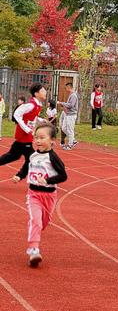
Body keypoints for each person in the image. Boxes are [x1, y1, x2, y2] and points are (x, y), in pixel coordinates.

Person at [12, 123, 67, 267]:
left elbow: (63, 176)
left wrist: (48, 180)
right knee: (35, 220)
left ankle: (34, 233)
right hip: (34, 194)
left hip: (49, 196)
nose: (37, 141)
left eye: (42, 138)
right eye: (36, 138)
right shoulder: (33, 155)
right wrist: (19, 176)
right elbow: (26, 167)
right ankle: (33, 249)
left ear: (52, 141)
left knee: (44, 222)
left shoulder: (53, 158)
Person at [0, 83, 46, 174]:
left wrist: (41, 120)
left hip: (26, 137)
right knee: (31, 158)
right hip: (23, 136)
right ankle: (22, 176)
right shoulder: (31, 105)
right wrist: (26, 129)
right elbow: (16, 114)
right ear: (36, 94)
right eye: (43, 91)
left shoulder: (38, 104)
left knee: (14, 156)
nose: (45, 92)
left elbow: (32, 117)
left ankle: (22, 176)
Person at [58, 83, 78, 151]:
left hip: (71, 115)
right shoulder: (70, 95)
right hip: (68, 114)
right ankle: (73, 140)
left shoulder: (73, 95)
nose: (65, 89)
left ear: (69, 87)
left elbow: (71, 105)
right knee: (63, 128)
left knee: (70, 129)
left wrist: (61, 103)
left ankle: (70, 145)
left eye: (66, 87)